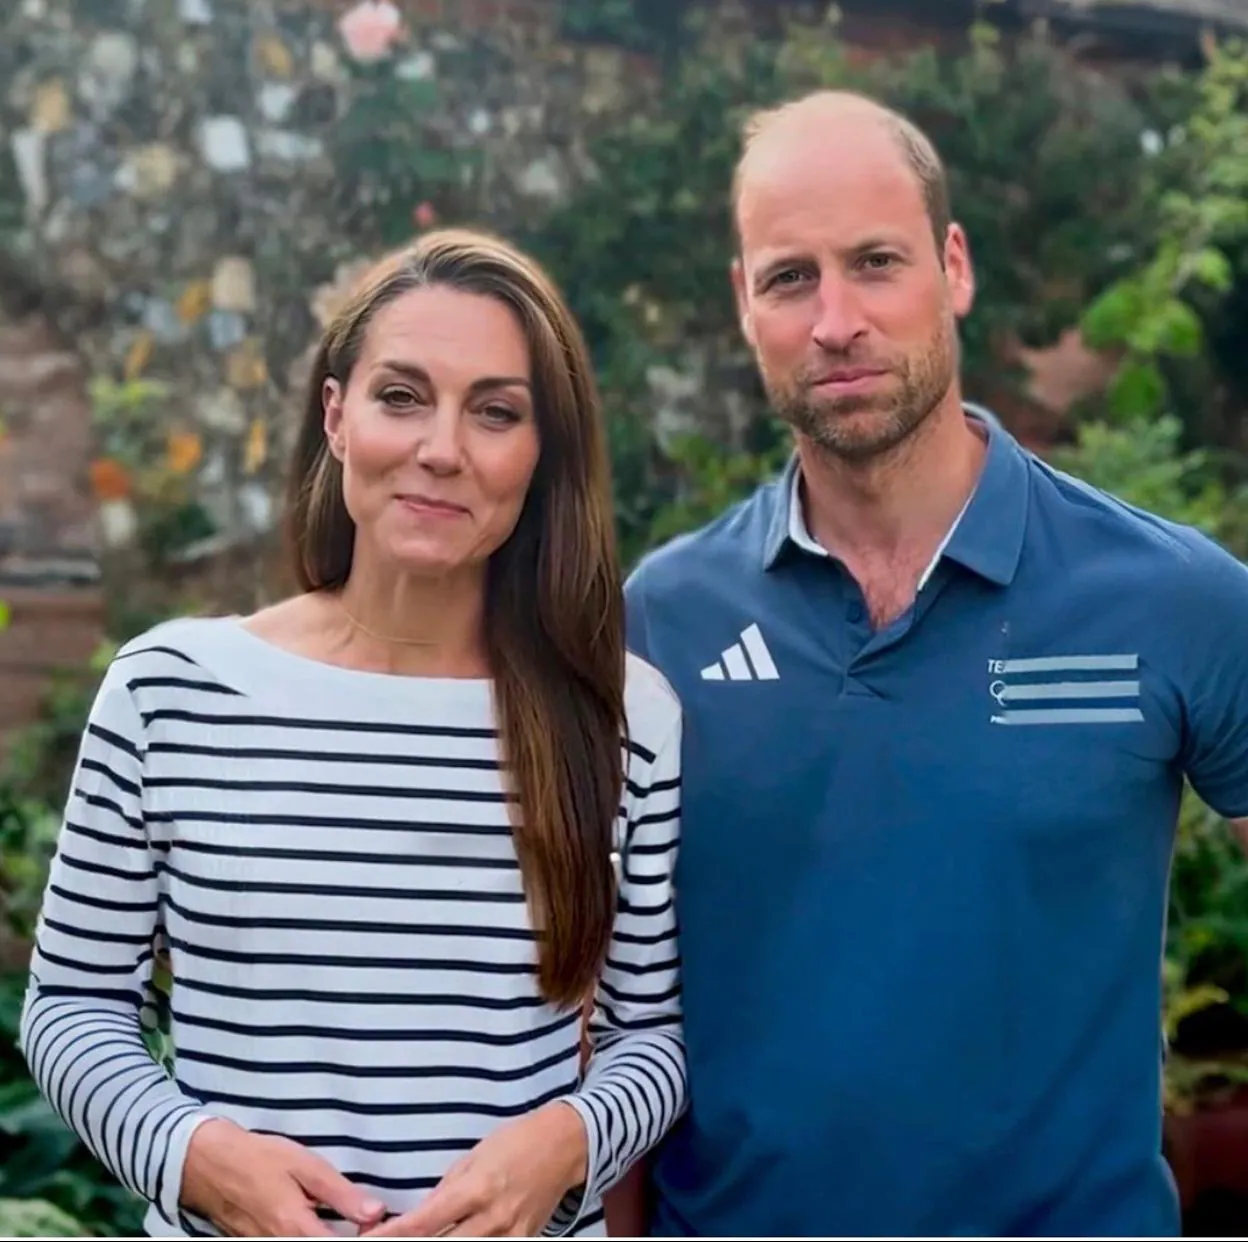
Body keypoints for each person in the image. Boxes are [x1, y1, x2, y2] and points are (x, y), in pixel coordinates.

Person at [621, 89, 1248, 1237]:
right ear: (742, 304)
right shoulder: (660, 622)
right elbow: (606, 1009)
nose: (837, 319)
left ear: (952, 267)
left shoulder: (1172, 597)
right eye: (790, 277)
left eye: (875, 262)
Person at [19, 228, 686, 1239]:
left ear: (541, 454)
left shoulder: (623, 718)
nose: (441, 449)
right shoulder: (170, 693)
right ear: (337, 415)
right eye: (401, 396)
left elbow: (652, 1038)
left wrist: (564, 1145)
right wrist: (199, 1161)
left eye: (496, 412)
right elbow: (69, 1007)